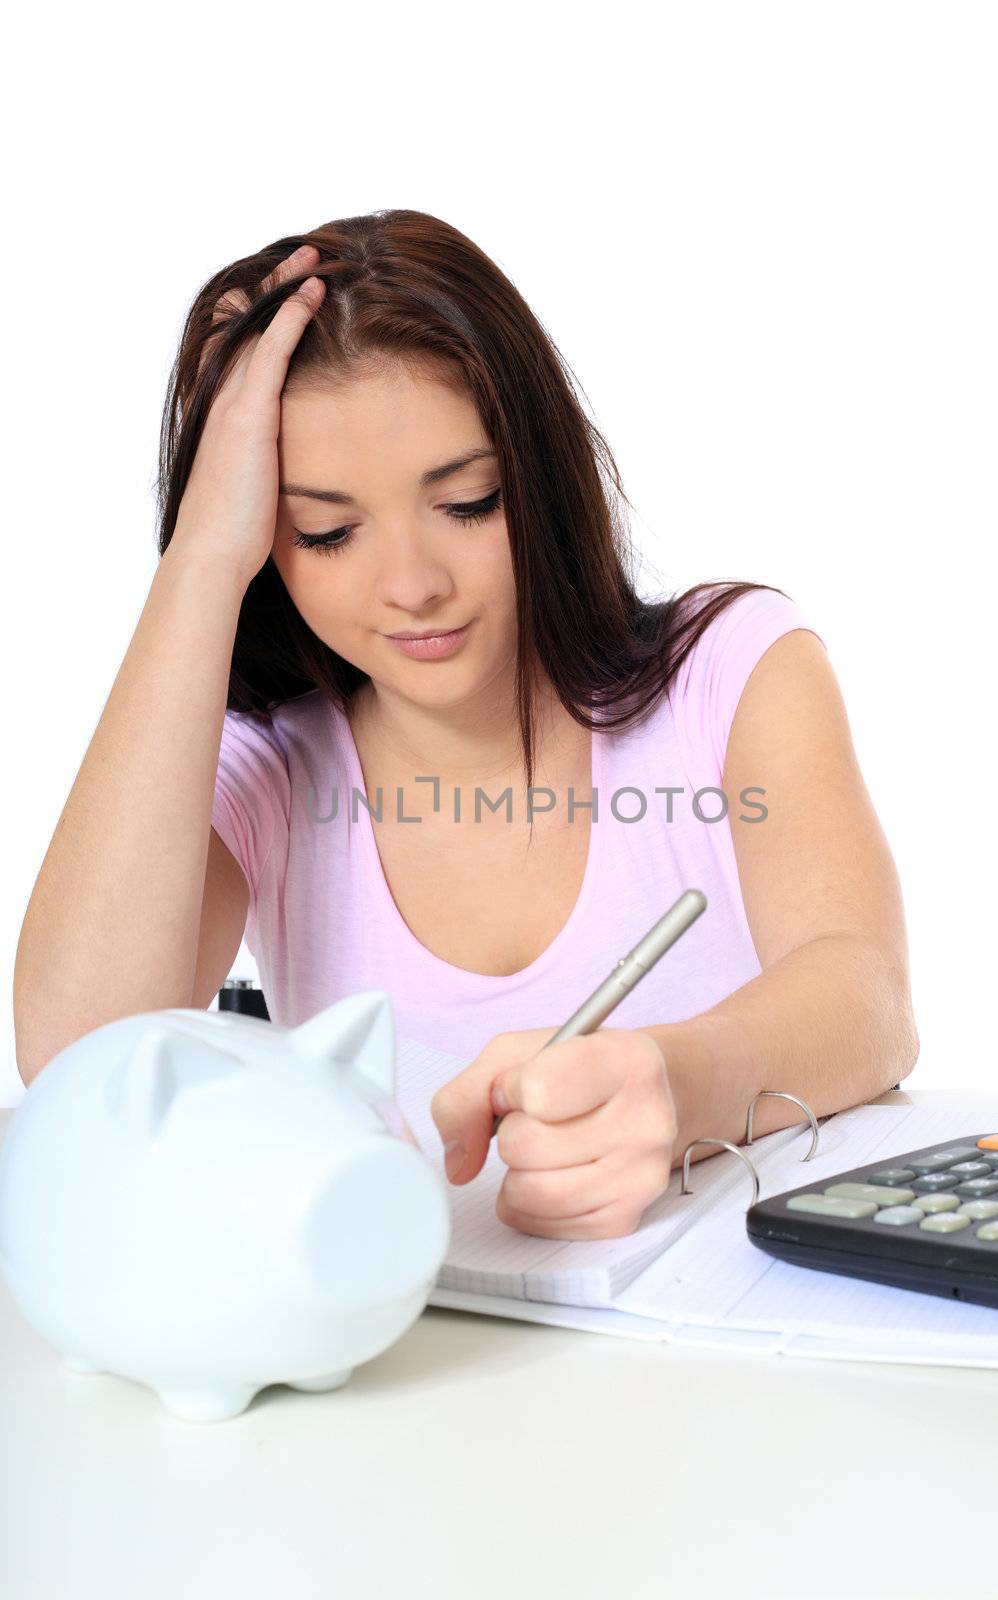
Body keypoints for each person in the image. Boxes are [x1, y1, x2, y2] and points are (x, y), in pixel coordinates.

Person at [13, 210, 919, 1240]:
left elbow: (870, 1002)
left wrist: (673, 1083)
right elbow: (80, 1055)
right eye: (326, 530)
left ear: (538, 474)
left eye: (468, 501)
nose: (411, 586)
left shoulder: (729, 667)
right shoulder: (265, 765)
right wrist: (199, 559)